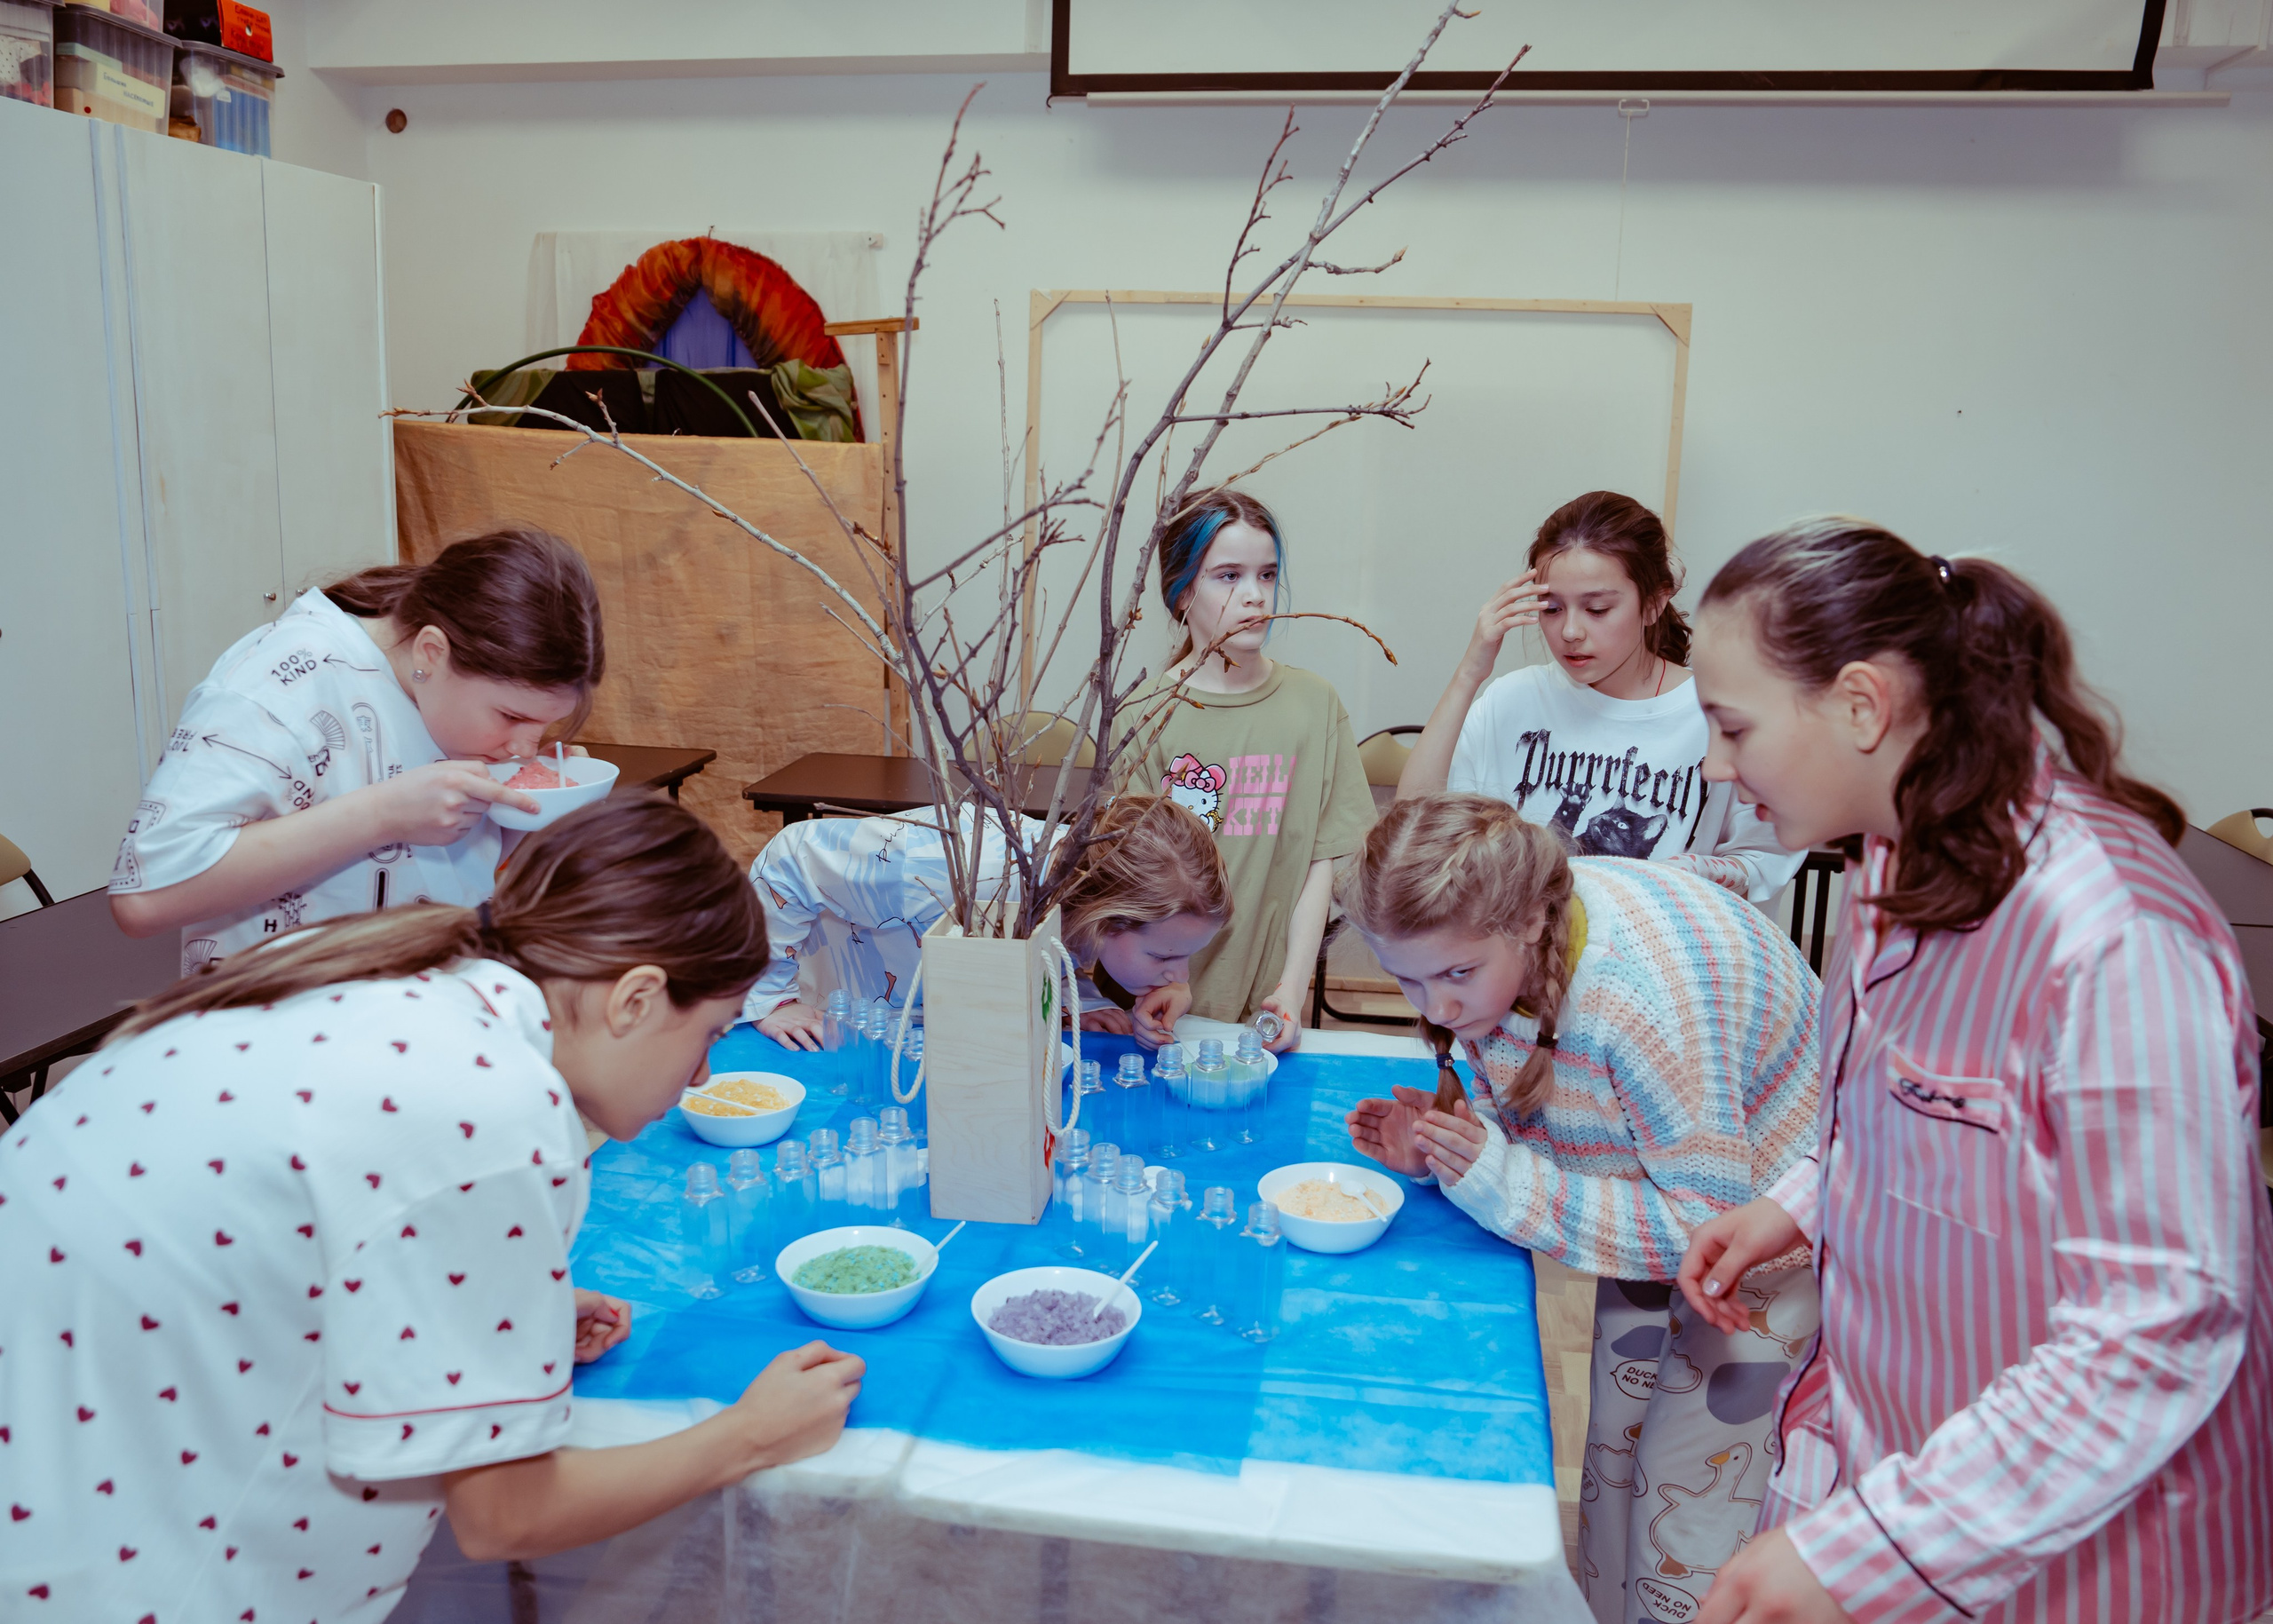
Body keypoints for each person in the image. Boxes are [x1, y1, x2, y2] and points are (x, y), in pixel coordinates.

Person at [2, 796, 864, 1618]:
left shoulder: (429, 986)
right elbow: (506, 1511)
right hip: (109, 1556)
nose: (705, 1074)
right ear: (634, 998)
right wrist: (750, 1435)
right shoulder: (494, 1104)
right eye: (708, 1032)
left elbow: (295, 1234)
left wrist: (487, 1309)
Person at [1674, 520, 2273, 1624]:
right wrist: (1798, 1202)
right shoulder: (1886, 857)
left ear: (1860, 704)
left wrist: (1872, 1547)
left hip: (2094, 1551)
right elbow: (1909, 1109)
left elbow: (2161, 1324)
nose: (1716, 765)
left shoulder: (2114, 936)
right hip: (1915, 1452)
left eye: (1731, 725)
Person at [1340, 794, 1820, 1622]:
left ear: (1528, 923)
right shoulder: (1497, 957)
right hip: (1638, 1200)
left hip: (1767, 1244)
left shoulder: (1637, 999)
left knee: (1686, 1505)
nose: (1437, 1008)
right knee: (1614, 1458)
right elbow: (1534, 1103)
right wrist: (1450, 1143)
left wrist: (1495, 1177)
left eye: (1455, 975)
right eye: (1405, 977)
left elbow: (1715, 1228)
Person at [109, 527, 606, 974]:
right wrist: (382, 815)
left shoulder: (437, 699)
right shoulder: (283, 683)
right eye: (512, 717)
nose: (526, 745)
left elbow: (441, 875)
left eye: (545, 725)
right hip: (283, 1033)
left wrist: (526, 817)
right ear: (432, 652)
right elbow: (145, 898)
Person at [1397, 490, 1802, 907]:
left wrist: (1691, 874)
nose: (1570, 631)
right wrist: (1470, 673)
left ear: (1655, 602)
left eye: (1598, 609)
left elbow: (1763, 862)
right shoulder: (1512, 700)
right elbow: (1413, 824)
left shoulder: (1716, 714)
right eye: (1551, 609)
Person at [1117, 487, 1375, 1050]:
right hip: (1166, 1009)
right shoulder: (1142, 716)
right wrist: (1170, 980)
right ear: (1183, 592)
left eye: (1266, 575)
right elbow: (1134, 890)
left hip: (1268, 1010)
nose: (1255, 597)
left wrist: (1291, 989)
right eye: (1228, 576)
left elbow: (1321, 864)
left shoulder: (1315, 705)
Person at [747, 795, 1230, 1050]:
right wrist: (772, 998)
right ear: (1106, 919)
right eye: (1167, 956)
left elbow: (1043, 950)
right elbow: (790, 856)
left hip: (935, 1027)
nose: (1179, 975)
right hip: (837, 1020)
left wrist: (1069, 1006)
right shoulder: (939, 867)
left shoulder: (1088, 890)